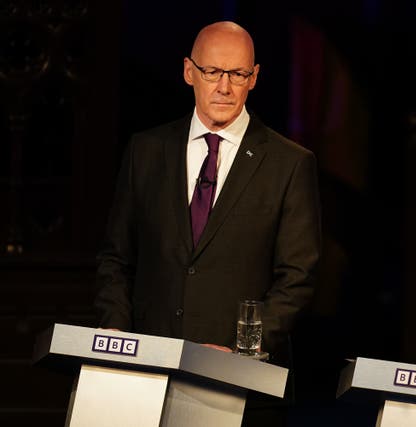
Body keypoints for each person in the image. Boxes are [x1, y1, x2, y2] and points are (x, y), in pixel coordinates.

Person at [94, 21, 322, 425]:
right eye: (212, 72)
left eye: (236, 74)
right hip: (146, 380)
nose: (224, 87)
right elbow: (116, 259)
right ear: (188, 72)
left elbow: (297, 278)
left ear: (254, 78)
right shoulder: (146, 151)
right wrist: (118, 343)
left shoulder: (290, 164)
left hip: (242, 387)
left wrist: (240, 350)